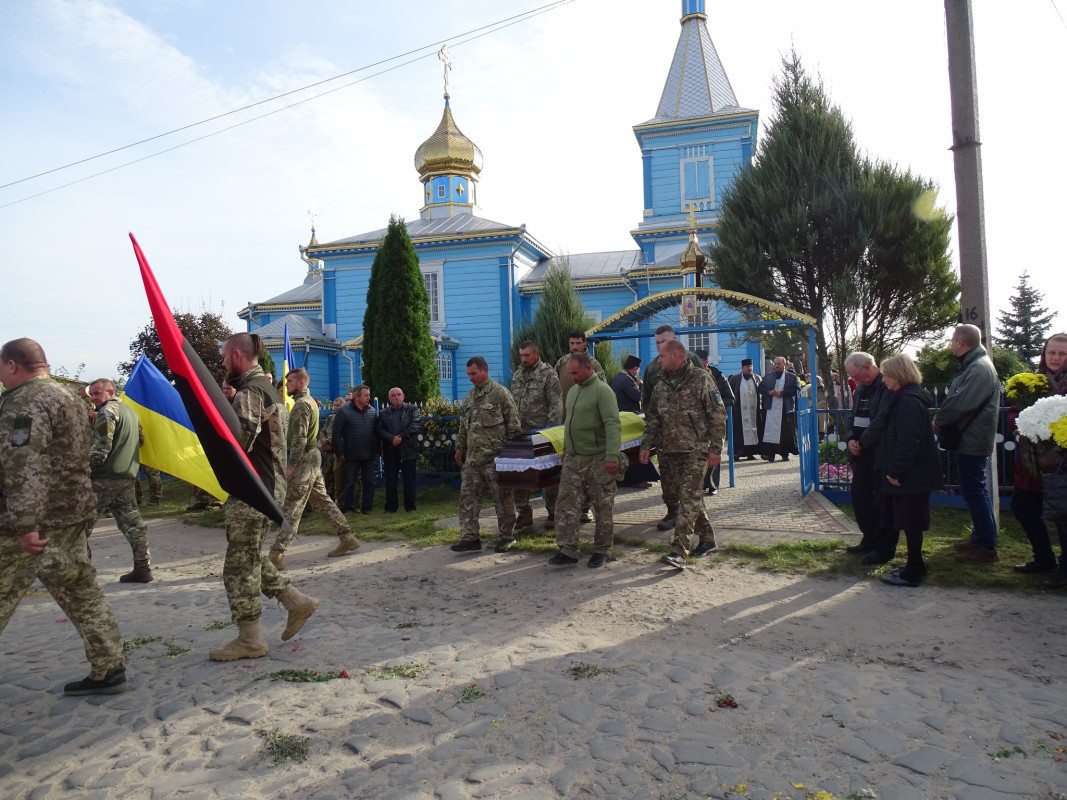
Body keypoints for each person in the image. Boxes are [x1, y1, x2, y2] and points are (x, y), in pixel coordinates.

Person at [0, 338, 127, 696]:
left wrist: (25, 524)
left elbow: (24, 463)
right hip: (73, 510)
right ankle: (109, 666)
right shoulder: (70, 397)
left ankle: (110, 667)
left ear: (12, 365)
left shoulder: (25, 401)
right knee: (78, 588)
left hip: (32, 522)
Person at [210, 333, 318, 662]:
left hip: (255, 488)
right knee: (251, 555)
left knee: (238, 565)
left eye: (226, 357)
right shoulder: (264, 387)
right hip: (262, 485)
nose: (224, 363)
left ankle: (251, 639)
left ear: (239, 357)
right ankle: (295, 601)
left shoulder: (250, 391)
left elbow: (238, 439)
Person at [639, 339, 726, 566]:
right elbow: (653, 419)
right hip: (668, 451)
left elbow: (718, 414)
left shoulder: (700, 379)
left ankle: (679, 551)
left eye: (662, 356)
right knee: (683, 498)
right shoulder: (660, 385)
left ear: (677, 355)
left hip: (695, 450)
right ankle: (707, 539)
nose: (659, 360)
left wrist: (716, 448)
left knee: (687, 499)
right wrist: (646, 445)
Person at [269, 369, 360, 569]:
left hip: (304, 459)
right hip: (311, 457)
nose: (286, 385)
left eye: (290, 381)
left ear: (301, 383)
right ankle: (347, 537)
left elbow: (300, 438)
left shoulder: (302, 405)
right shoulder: (309, 401)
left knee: (293, 506)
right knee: (321, 500)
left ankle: (277, 553)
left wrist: (291, 466)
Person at [933, 324, 1001, 563]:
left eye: (953, 340)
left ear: (961, 342)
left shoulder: (978, 368)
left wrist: (939, 420)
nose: (951, 344)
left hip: (973, 438)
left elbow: (960, 403)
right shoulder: (974, 365)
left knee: (975, 491)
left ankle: (986, 545)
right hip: (970, 436)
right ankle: (980, 538)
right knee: (974, 491)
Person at [547, 353, 621, 568]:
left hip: (597, 458)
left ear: (588, 369)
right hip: (573, 458)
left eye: (575, 373)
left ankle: (602, 550)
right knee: (566, 503)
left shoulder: (603, 391)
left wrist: (611, 456)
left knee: (602, 506)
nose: (572, 377)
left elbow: (613, 424)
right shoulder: (572, 392)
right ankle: (568, 549)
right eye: (570, 373)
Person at [876, 354, 943, 587]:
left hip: (912, 474)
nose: (883, 379)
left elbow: (909, 440)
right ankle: (916, 565)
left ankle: (913, 571)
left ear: (898, 375)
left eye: (886, 375)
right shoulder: (905, 397)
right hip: (912, 473)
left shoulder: (908, 401)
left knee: (912, 522)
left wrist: (896, 471)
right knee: (908, 521)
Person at [1011, 333, 1067, 587]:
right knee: (1023, 508)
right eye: (1051, 353)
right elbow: (1014, 412)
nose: (1055, 358)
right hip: (1031, 459)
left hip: (1061, 464)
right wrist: (1021, 422)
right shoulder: (1033, 381)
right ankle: (1044, 558)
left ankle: (1064, 569)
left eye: (1062, 354)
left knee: (1063, 518)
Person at [451, 356, 521, 553]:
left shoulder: (500, 394)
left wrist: (509, 456)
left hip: (495, 458)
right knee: (467, 499)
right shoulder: (470, 396)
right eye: (468, 375)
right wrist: (459, 447)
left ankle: (507, 536)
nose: (470, 378)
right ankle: (469, 537)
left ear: (484, 370)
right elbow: (464, 425)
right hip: (473, 460)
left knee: (502, 498)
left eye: (473, 373)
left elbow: (514, 426)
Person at [87, 378, 153, 583]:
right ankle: (143, 567)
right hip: (127, 475)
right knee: (133, 524)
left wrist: (85, 470)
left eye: (97, 394)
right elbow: (140, 440)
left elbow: (101, 449)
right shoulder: (131, 413)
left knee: (80, 525)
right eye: (92, 395)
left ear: (110, 391)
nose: (94, 398)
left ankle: (80, 575)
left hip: (104, 477)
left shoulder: (107, 413)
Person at [641, 325, 704, 529]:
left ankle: (694, 520)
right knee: (668, 479)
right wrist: (648, 440)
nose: (661, 347)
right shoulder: (652, 368)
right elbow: (649, 404)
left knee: (690, 484)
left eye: (665, 342)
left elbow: (705, 397)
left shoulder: (692, 360)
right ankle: (672, 511)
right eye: (658, 343)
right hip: (665, 436)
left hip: (690, 436)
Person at [843, 352, 897, 565]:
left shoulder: (886, 386)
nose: (856, 381)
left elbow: (881, 420)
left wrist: (863, 442)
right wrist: (850, 440)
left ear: (867, 367)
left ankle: (884, 546)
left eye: (857, 375)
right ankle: (869, 538)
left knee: (882, 502)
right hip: (862, 454)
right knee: (860, 496)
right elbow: (851, 416)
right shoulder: (860, 390)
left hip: (879, 452)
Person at [510, 342, 563, 529]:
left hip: (541, 435)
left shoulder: (548, 375)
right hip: (520, 435)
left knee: (549, 477)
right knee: (519, 475)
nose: (523, 359)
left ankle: (553, 512)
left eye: (527, 355)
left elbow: (556, 405)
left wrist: (549, 434)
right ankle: (524, 514)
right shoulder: (517, 376)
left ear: (536, 354)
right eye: (521, 356)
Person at [333, 385, 379, 514]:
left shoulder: (372, 411)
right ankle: (349, 508)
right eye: (366, 395)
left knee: (369, 482)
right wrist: (339, 452)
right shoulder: (344, 411)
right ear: (357, 397)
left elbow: (376, 432)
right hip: (351, 454)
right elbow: (336, 434)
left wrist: (377, 450)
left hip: (369, 454)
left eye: (369, 395)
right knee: (349, 483)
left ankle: (367, 508)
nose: (368, 398)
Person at [695, 349, 734, 495]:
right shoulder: (689, 377)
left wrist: (711, 404)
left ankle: (712, 485)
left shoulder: (717, 375)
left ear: (706, 362)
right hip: (695, 424)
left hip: (712, 422)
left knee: (713, 452)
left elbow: (730, 398)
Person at [378, 386, 422, 513]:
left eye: (399, 394)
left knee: (409, 480)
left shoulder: (412, 409)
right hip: (391, 450)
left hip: (408, 450)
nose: (396, 397)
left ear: (403, 396)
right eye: (393, 395)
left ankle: (410, 507)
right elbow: (379, 430)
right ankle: (391, 508)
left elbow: (415, 425)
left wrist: (401, 437)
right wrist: (392, 438)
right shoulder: (383, 413)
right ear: (389, 398)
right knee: (391, 480)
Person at [554, 329, 606, 421]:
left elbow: (601, 389)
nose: (574, 346)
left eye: (578, 343)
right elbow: (554, 386)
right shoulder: (562, 362)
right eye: (572, 343)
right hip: (564, 415)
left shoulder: (593, 364)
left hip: (585, 415)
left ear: (585, 343)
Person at [758, 356, 799, 462]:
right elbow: (761, 388)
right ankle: (770, 454)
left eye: (779, 364)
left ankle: (784, 454)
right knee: (770, 431)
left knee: (785, 433)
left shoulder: (791, 377)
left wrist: (782, 393)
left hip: (785, 409)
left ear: (784, 364)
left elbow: (796, 389)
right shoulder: (768, 377)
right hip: (770, 408)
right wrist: (769, 392)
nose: (776, 365)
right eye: (775, 364)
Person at [728, 359, 762, 460]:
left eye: (751, 367)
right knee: (738, 433)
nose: (749, 368)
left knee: (753, 431)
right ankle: (736, 453)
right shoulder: (735, 379)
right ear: (743, 368)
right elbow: (730, 392)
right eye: (747, 367)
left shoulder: (757, 378)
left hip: (754, 410)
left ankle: (750, 453)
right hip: (739, 411)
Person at [320, 396, 344, 501]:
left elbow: (339, 434)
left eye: (338, 405)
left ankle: (337, 499)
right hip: (327, 452)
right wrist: (323, 441)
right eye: (334, 405)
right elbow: (322, 430)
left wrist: (329, 442)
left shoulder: (344, 417)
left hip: (336, 450)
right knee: (327, 474)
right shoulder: (330, 418)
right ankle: (328, 497)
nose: (336, 407)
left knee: (337, 476)